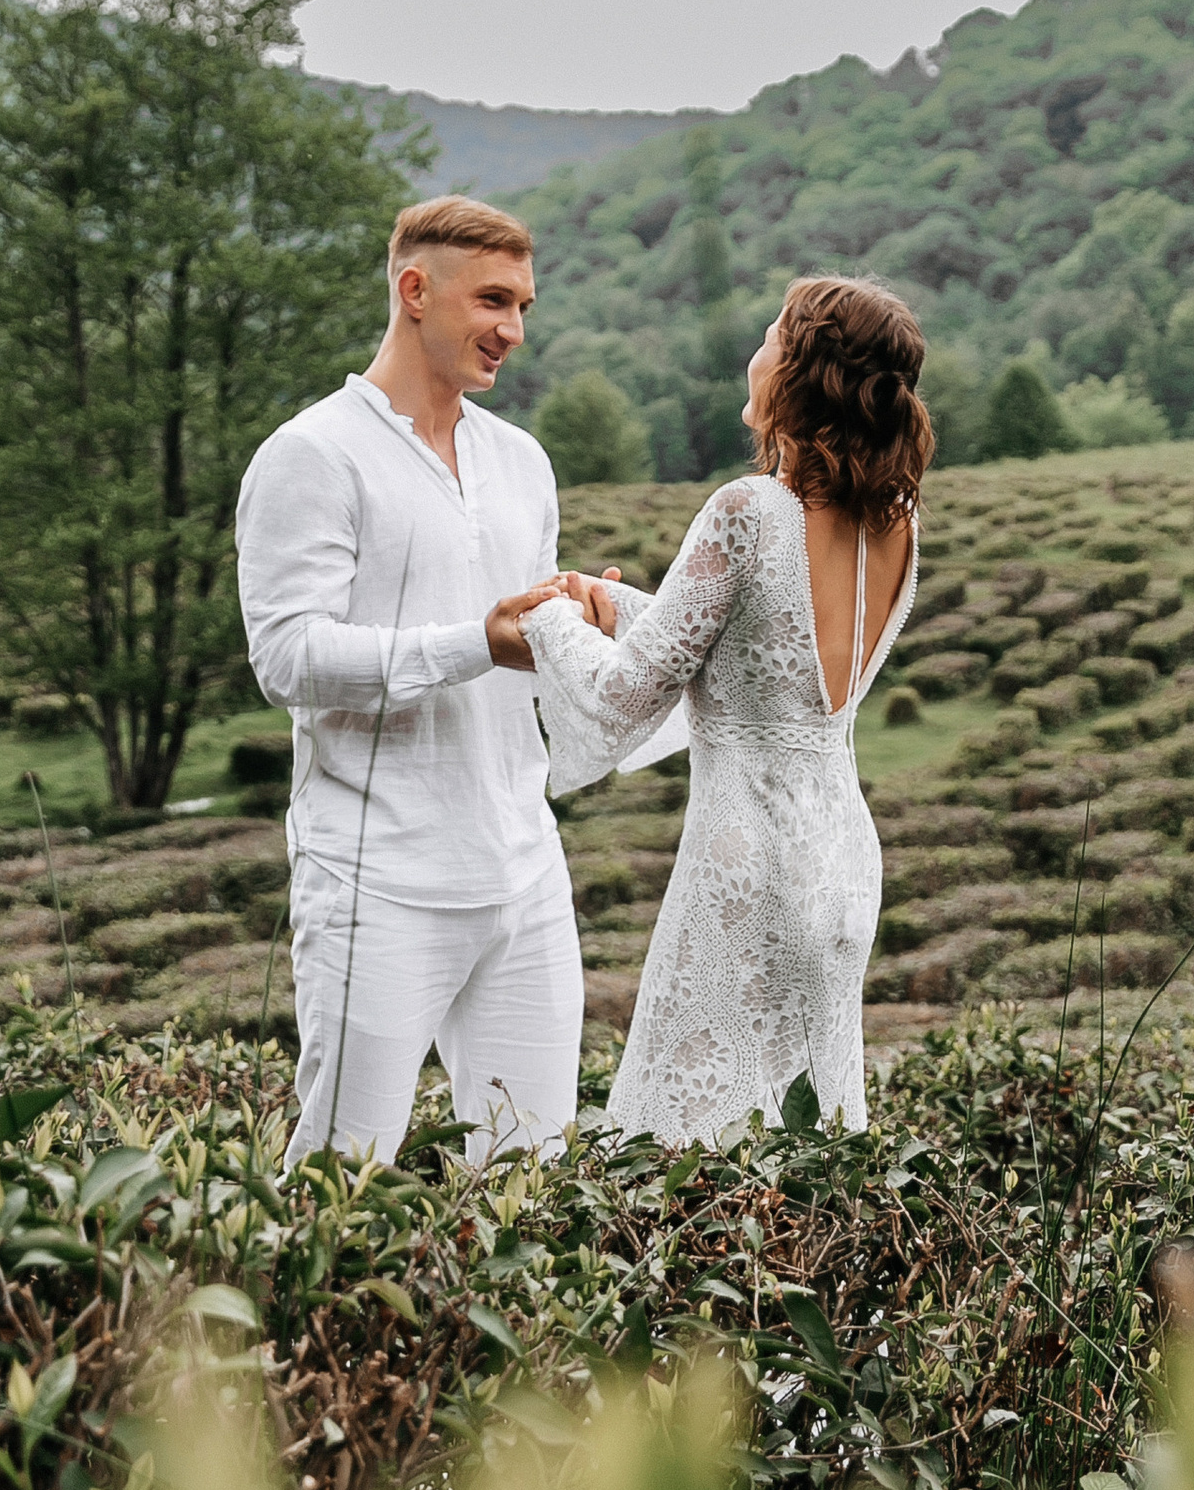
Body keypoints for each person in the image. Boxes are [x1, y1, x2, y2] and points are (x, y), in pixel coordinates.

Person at [503, 275, 926, 1146]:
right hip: (842, 853)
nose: (754, 351)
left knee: (693, 1129)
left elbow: (627, 693)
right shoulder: (897, 525)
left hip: (747, 861)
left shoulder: (746, 511)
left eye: (771, 334)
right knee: (810, 1135)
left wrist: (544, 615)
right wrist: (614, 607)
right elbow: (764, 653)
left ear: (803, 368)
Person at [234, 194, 612, 1166]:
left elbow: (517, 654)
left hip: (523, 870)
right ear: (414, 291)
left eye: (524, 305)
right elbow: (288, 660)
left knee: (534, 1174)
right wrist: (476, 641)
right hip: (377, 882)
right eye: (493, 301)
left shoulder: (524, 462)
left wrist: (578, 627)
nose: (514, 331)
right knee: (338, 1178)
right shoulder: (310, 455)